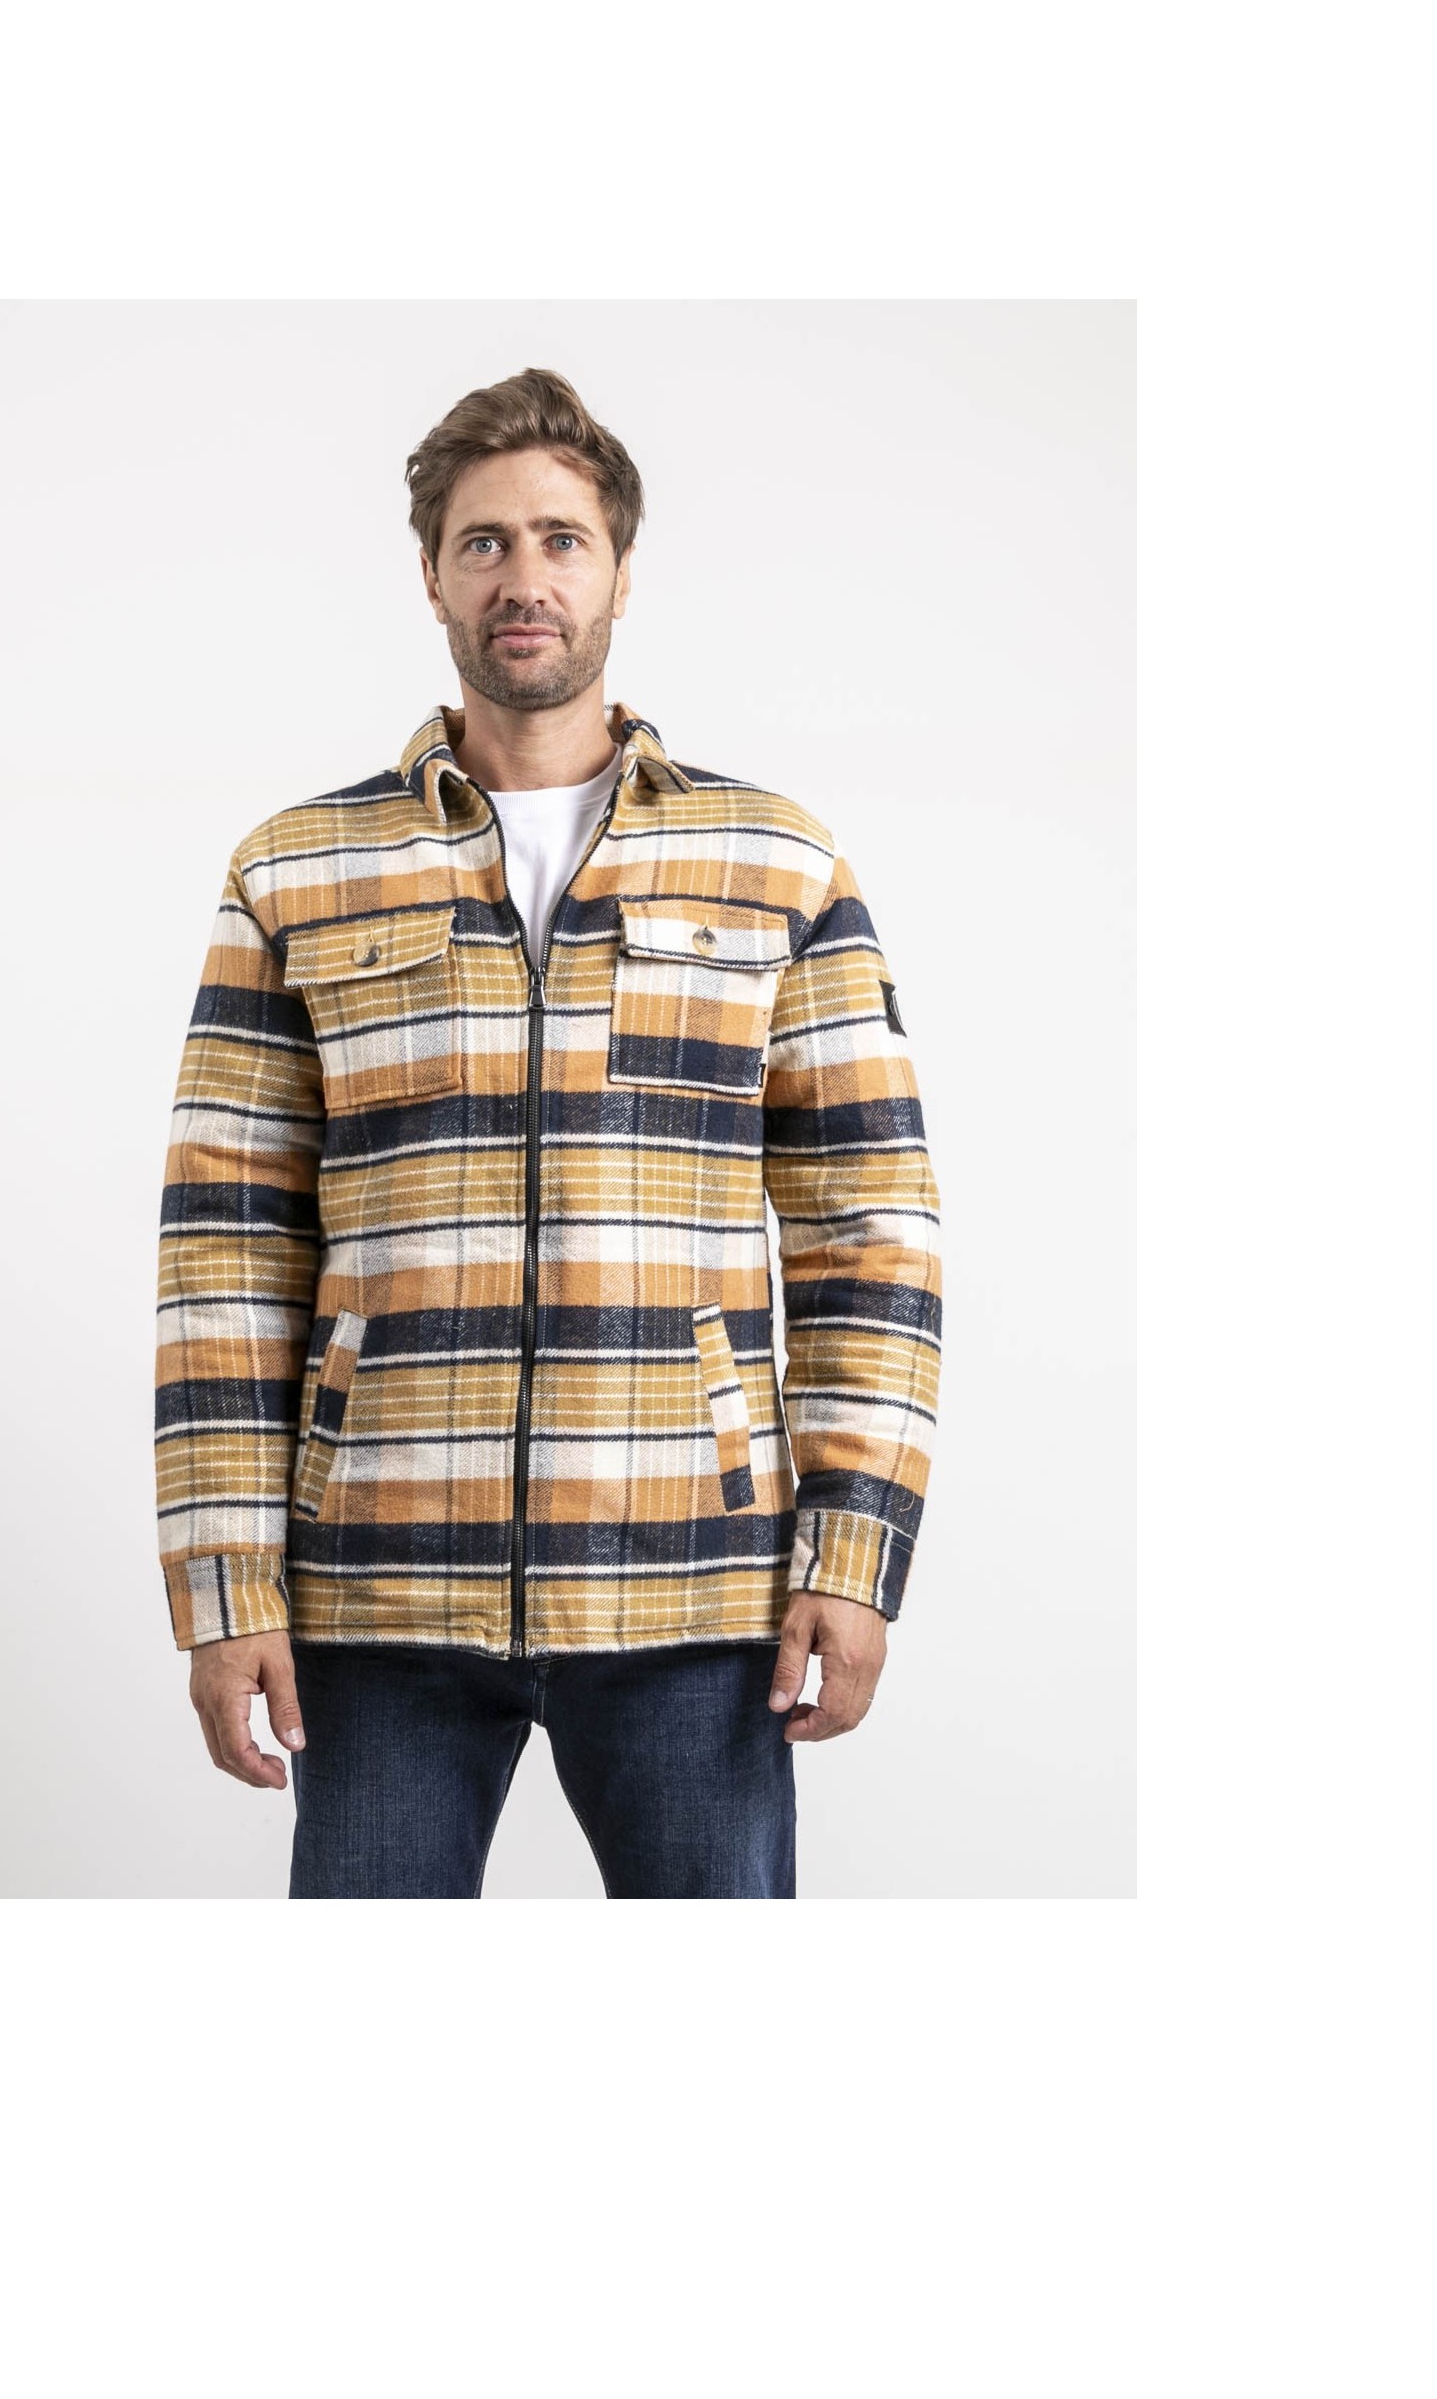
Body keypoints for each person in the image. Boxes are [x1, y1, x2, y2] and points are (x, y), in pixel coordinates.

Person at [155, 366, 942, 1898]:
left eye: (562, 540)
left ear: (621, 570)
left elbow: (870, 1229)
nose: (526, 578)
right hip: (377, 1592)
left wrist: (855, 1554)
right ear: (433, 575)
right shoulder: (295, 872)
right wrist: (225, 1583)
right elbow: (226, 1252)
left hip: (692, 1590)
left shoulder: (775, 862)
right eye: (485, 542)